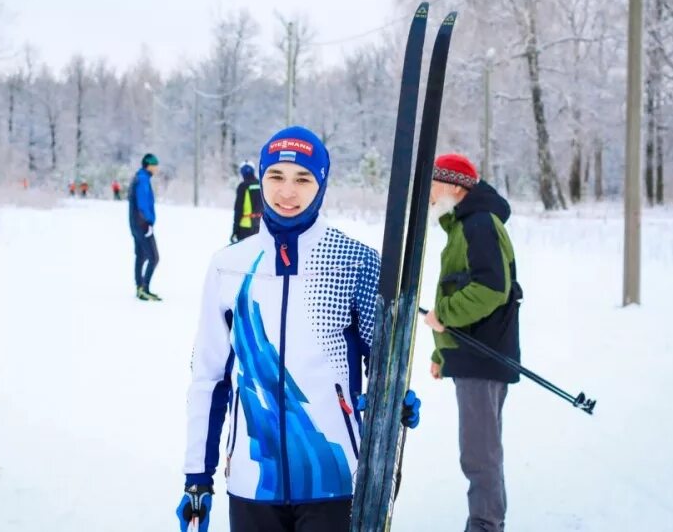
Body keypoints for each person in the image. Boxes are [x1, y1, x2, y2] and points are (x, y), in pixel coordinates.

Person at [176, 126, 421, 532]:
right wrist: (197, 477)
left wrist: (396, 396)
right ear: (261, 179)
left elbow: (384, 360)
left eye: (302, 179)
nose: (287, 192)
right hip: (253, 480)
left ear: (321, 183)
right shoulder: (229, 265)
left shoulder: (355, 262)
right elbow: (209, 377)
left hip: (336, 477)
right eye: (276, 177)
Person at [420, 153, 522, 532]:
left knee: (479, 452)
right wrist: (441, 353)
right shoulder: (463, 225)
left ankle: (485, 524)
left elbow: (491, 288)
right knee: (481, 448)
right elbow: (462, 285)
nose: (428, 194)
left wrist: (443, 314)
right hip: (472, 353)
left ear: (452, 187)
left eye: (432, 186)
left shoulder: (478, 224)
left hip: (485, 354)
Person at [129, 153, 161, 301]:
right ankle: (144, 288)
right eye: (155, 165)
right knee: (153, 257)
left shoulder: (140, 177)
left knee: (141, 256)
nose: (157, 168)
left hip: (136, 224)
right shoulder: (142, 180)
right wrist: (148, 223)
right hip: (142, 224)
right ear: (149, 165)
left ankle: (140, 288)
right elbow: (142, 204)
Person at [231, 161, 262, 243]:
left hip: (245, 227)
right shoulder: (262, 184)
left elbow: (238, 209)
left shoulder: (242, 186)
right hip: (261, 226)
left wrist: (235, 230)